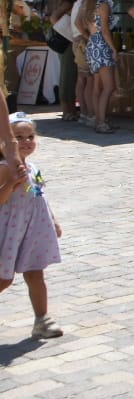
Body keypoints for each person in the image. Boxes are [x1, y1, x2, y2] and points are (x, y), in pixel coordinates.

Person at [0, 113, 64, 340]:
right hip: (9, 229)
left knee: (35, 273)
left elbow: (39, 194)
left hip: (32, 229)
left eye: (30, 136)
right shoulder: (5, 167)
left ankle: (42, 320)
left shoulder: (33, 167)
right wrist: (11, 183)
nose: (26, 141)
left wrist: (53, 220)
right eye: (19, 137)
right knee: (3, 278)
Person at [76, 0, 118, 135]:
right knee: (108, 87)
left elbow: (77, 24)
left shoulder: (85, 4)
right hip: (102, 44)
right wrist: (114, 49)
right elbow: (106, 31)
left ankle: (98, 119)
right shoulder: (104, 4)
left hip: (92, 44)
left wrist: (88, 37)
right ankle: (101, 122)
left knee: (97, 86)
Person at [52, 0, 87, 124]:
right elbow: (53, 18)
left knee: (71, 76)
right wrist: (65, 30)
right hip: (68, 43)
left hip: (70, 41)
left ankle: (70, 110)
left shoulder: (74, 3)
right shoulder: (69, 3)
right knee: (68, 76)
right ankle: (67, 111)